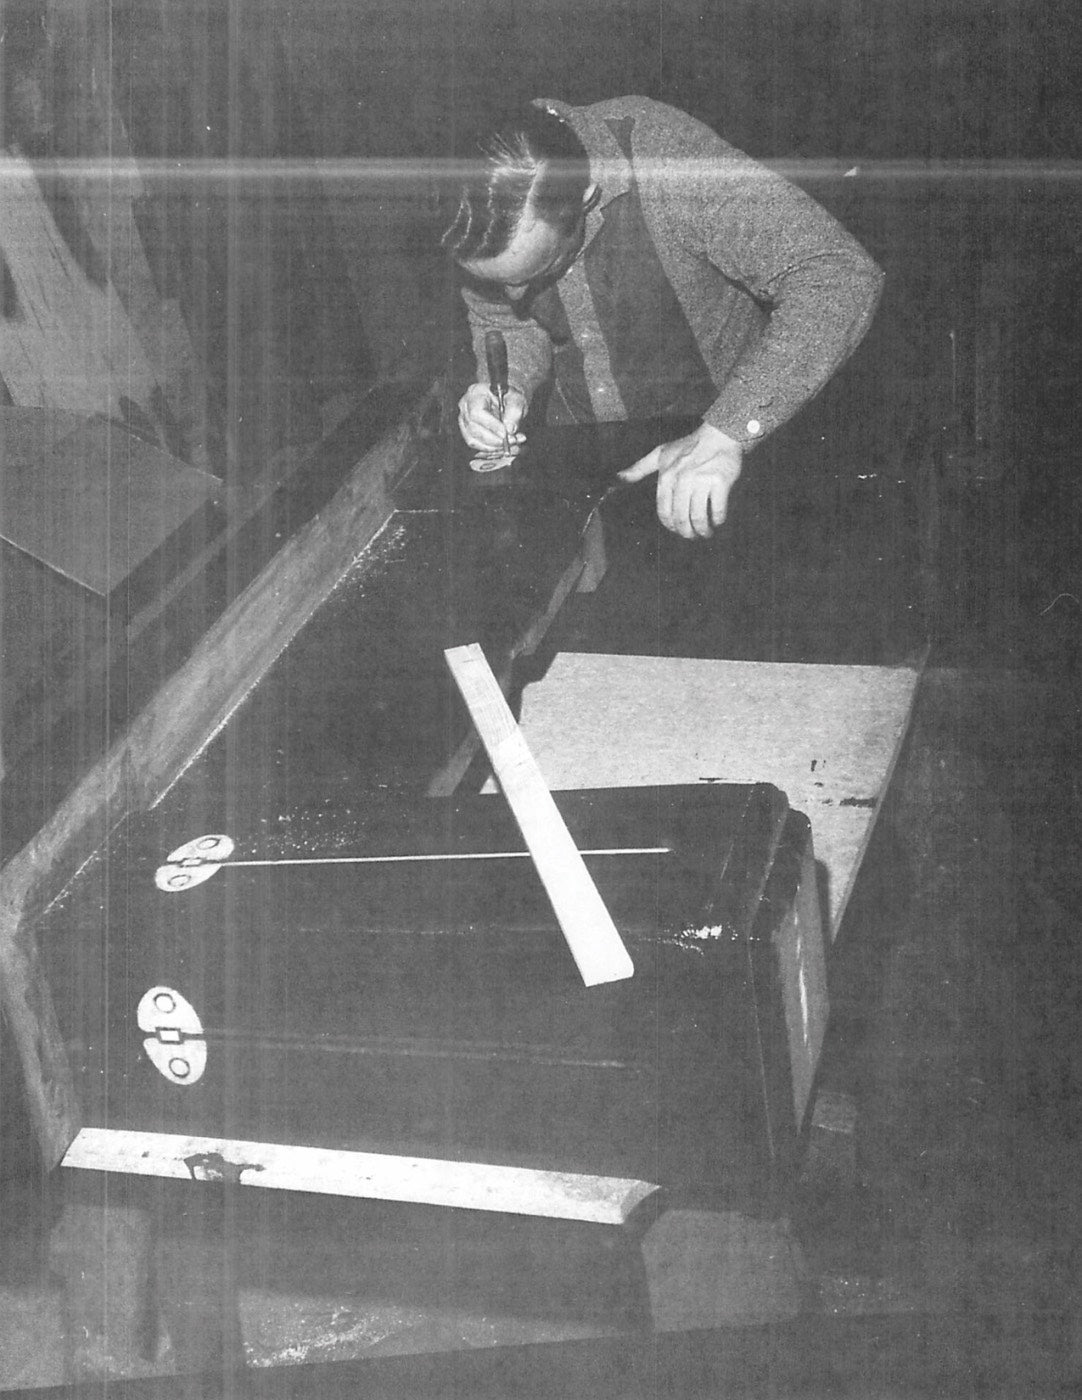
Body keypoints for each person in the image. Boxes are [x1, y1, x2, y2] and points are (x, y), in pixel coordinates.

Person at [442, 96, 884, 539]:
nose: (514, 295)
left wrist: (728, 431)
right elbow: (506, 317)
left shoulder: (661, 156)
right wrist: (510, 381)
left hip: (719, 459)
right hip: (585, 462)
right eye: (494, 281)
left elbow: (836, 273)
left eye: (538, 273)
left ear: (586, 198)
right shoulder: (481, 197)